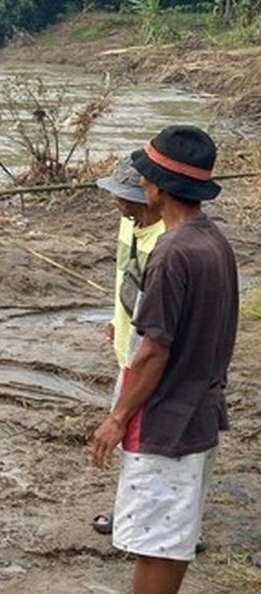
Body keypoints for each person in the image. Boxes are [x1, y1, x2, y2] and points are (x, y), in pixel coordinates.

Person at [90, 126, 238, 594]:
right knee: (175, 532)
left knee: (154, 540)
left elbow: (154, 350)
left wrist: (116, 418)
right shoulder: (212, 240)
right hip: (198, 412)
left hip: (166, 421)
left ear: (154, 186)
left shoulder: (171, 252)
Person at [89, 157, 165, 536]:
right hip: (128, 344)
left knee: (142, 437)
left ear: (151, 195)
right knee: (134, 441)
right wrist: (115, 319)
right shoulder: (129, 222)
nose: (116, 202)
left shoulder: (170, 241)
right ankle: (134, 506)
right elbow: (125, 274)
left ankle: (154, 516)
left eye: (124, 196)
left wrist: (117, 416)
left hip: (151, 356)